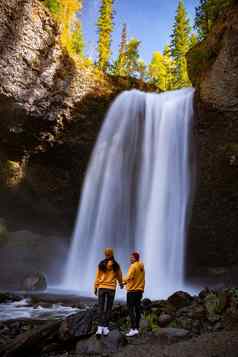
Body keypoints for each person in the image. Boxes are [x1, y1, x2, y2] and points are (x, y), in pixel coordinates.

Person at [94, 248, 123, 336]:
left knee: (101, 308)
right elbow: (119, 275)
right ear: (112, 254)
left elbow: (97, 276)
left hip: (102, 287)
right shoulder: (116, 265)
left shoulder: (101, 263)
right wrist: (121, 284)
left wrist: (95, 287)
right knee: (108, 308)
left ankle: (99, 328)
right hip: (111, 288)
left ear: (105, 254)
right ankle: (105, 327)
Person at [123, 251, 145, 337]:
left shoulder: (133, 266)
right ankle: (137, 328)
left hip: (132, 291)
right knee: (137, 310)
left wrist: (122, 282)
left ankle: (133, 329)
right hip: (139, 291)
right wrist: (142, 288)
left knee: (131, 310)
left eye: (131, 257)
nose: (130, 259)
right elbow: (143, 279)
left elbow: (129, 277)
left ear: (135, 258)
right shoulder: (142, 267)